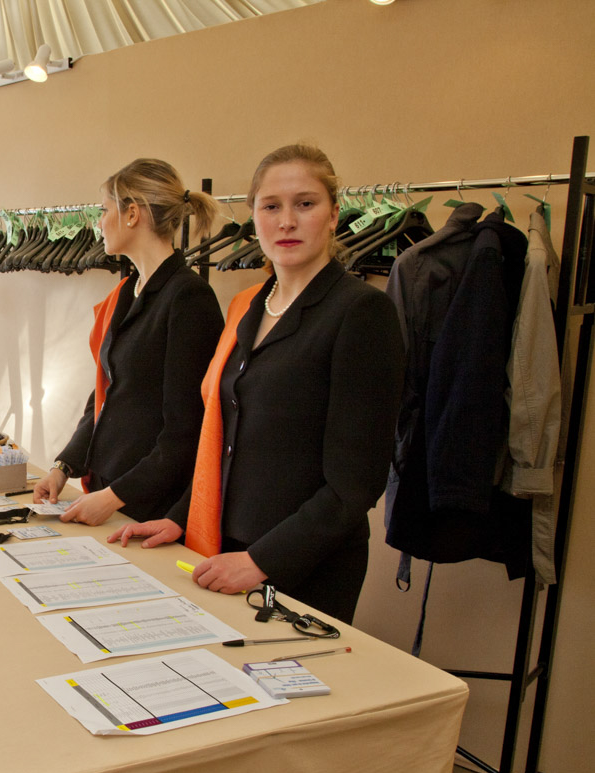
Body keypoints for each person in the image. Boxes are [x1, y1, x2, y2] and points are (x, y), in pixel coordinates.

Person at [108, 144, 405, 623]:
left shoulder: (361, 313)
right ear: (255, 218)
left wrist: (261, 562)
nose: (286, 221)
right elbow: (225, 445)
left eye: (304, 204)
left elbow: (355, 485)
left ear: (333, 216)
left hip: (303, 563)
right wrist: (180, 517)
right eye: (271, 207)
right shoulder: (248, 305)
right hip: (224, 550)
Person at [33, 159, 223, 525]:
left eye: (104, 210)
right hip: (107, 489)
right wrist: (63, 466)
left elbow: (185, 430)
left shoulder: (188, 298)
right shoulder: (126, 292)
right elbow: (106, 395)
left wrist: (114, 498)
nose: (99, 222)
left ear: (132, 214)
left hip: (151, 503)